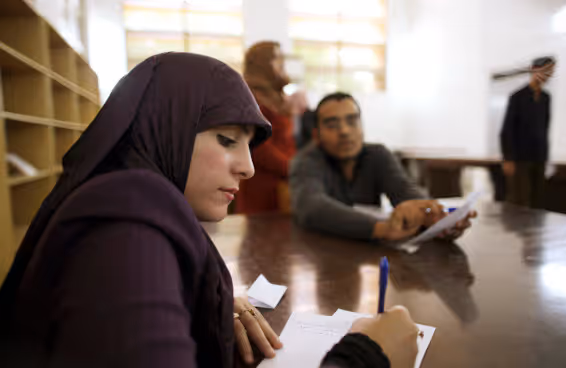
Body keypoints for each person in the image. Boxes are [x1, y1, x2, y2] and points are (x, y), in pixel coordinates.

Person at [0, 53, 421, 368]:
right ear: (168, 128)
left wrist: (198, 300)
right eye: (226, 139)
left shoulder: (136, 205)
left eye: (248, 144)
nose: (249, 166)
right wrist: (367, 356)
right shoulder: (125, 222)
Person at [289, 92, 475, 241]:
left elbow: (406, 193)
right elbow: (310, 206)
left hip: (373, 260)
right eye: (332, 125)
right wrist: (380, 229)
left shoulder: (377, 154)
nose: (345, 131)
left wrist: (433, 218)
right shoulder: (306, 160)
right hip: (318, 255)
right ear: (316, 134)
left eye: (352, 121)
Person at [236, 41, 297, 214]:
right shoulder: (250, 93)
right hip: (261, 182)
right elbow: (258, 145)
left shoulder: (274, 92)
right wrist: (291, 168)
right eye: (277, 58)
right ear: (262, 62)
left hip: (283, 180)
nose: (282, 62)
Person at [500, 56, 556, 209]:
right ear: (534, 70)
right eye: (546, 70)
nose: (549, 74)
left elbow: (545, 127)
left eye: (551, 71)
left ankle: (535, 232)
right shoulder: (518, 96)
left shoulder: (546, 98)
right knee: (520, 199)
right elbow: (507, 129)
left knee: (537, 199)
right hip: (520, 158)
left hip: (539, 156)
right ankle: (517, 232)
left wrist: (547, 157)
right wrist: (508, 158)